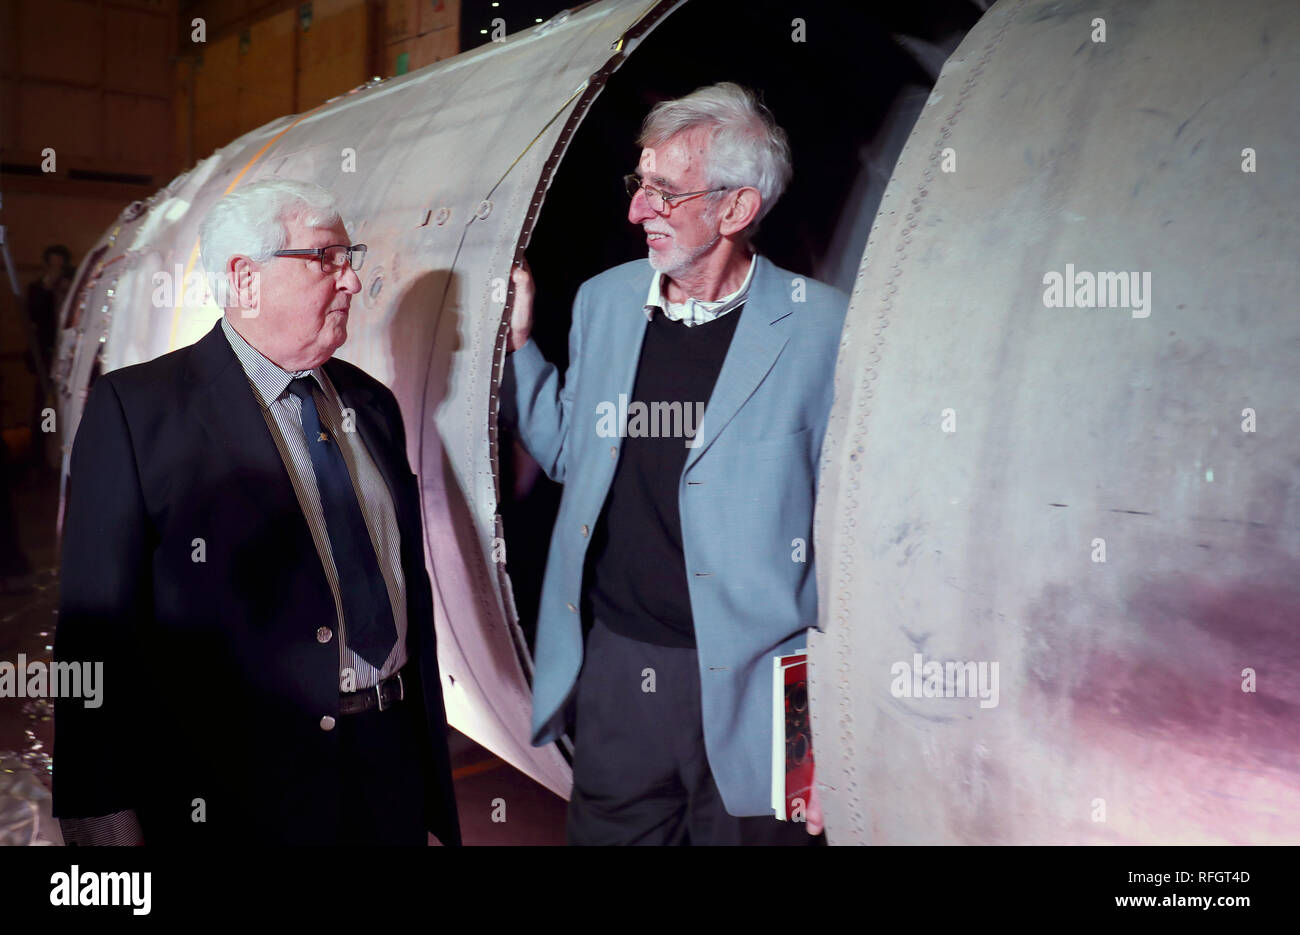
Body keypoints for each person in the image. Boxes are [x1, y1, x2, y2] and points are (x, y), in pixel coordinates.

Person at [52, 179, 460, 845]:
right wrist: (104, 828)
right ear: (245, 278)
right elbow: (95, 640)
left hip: (386, 773)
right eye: (326, 257)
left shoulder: (372, 406)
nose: (352, 280)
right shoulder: (138, 412)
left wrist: (428, 798)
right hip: (236, 801)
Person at [502, 82, 847, 844]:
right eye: (639, 185)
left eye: (663, 192)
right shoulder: (604, 301)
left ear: (735, 209)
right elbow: (567, 452)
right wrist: (523, 347)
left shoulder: (824, 328)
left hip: (763, 681)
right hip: (623, 669)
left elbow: (857, 533)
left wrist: (826, 736)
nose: (636, 210)